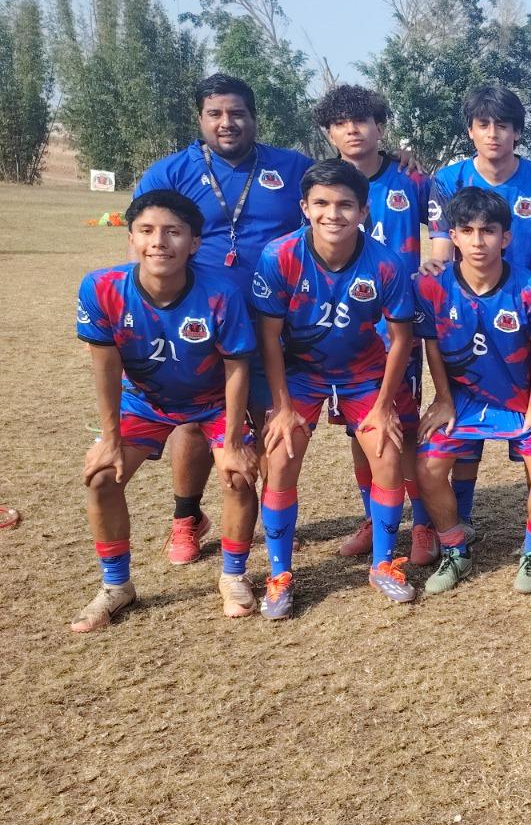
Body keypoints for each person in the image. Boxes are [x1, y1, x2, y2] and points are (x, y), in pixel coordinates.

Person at [133, 75, 313, 564]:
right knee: (195, 423)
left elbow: (346, 194)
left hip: (276, 321)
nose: (226, 123)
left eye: (236, 113)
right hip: (199, 325)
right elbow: (144, 250)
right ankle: (187, 518)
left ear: (254, 117)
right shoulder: (169, 172)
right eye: (215, 113)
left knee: (274, 419)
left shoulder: (293, 166)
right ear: (200, 118)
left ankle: (276, 518)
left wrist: (401, 161)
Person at [72, 191, 260, 631]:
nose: (160, 242)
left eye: (173, 232)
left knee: (237, 474)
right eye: (147, 231)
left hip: (212, 401)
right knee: (102, 478)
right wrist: (111, 439)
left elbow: (237, 369)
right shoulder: (101, 288)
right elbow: (104, 366)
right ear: (132, 238)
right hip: (145, 403)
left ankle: (233, 575)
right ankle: (117, 586)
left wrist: (232, 441)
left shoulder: (221, 291)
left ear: (194, 242)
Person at [251, 160, 419, 618]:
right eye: (321, 203)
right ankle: (279, 573)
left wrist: (384, 407)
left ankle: (384, 563)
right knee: (281, 457)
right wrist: (282, 407)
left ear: (364, 211)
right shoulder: (279, 256)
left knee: (386, 454)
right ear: (304, 207)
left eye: (346, 204)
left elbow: (402, 337)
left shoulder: (386, 263)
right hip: (301, 374)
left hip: (364, 372)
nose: (333, 214)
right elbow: (268, 336)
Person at [428, 86, 531, 538]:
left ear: (517, 132)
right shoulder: (447, 179)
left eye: (503, 125)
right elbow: (438, 245)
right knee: (462, 435)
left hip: (525, 320)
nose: (493, 134)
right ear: (470, 130)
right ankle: (461, 521)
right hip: (464, 317)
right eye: (484, 124)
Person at [412, 188, 531, 595]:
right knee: (427, 465)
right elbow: (432, 345)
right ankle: (455, 549)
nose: (479, 242)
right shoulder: (432, 286)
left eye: (489, 231)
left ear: (506, 237)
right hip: (463, 400)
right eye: (467, 231)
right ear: (452, 235)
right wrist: (443, 399)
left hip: (518, 400)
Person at [313, 84, 438, 566]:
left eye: (362, 120)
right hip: (343, 330)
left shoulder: (411, 178)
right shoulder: (321, 185)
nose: (352, 130)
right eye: (341, 123)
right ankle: (374, 516)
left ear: (380, 128)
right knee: (358, 431)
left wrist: (437, 257)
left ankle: (423, 520)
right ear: (330, 133)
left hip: (397, 328)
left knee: (402, 427)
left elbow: (446, 222)